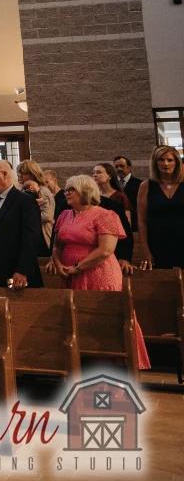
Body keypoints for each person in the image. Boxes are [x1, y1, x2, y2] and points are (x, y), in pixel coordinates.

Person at [54, 174, 150, 369]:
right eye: (66, 188)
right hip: (69, 273)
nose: (67, 192)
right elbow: (56, 245)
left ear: (85, 192)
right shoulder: (65, 214)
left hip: (98, 272)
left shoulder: (105, 215)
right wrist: (57, 263)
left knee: (104, 317)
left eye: (71, 189)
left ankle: (115, 361)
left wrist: (78, 267)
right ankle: (83, 361)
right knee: (76, 317)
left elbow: (106, 250)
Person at [0, 159, 44, 288]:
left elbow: (31, 239)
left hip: (14, 270)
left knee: (17, 308)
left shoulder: (25, 201)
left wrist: (22, 270)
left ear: (5, 174)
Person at [136, 145, 184, 271]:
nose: (165, 163)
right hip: (158, 243)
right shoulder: (146, 186)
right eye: (161, 160)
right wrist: (145, 250)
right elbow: (142, 221)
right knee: (163, 286)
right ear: (155, 163)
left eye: (169, 160)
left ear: (177, 162)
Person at [92, 161, 136, 265]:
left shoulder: (119, 197)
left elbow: (126, 225)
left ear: (109, 176)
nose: (95, 175)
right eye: (93, 172)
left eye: (99, 172)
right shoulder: (93, 197)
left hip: (115, 239)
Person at [16, 160, 54, 254]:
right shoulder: (23, 190)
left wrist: (26, 216)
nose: (20, 176)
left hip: (41, 235)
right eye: (19, 173)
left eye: (23, 173)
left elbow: (47, 216)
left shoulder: (43, 191)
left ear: (32, 174)